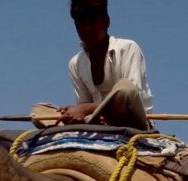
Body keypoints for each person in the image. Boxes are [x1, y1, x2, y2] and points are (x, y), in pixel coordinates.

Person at [61, 0, 153, 129]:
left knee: (125, 88)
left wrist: (86, 108)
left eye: (92, 21)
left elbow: (131, 99)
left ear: (106, 21)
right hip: (97, 121)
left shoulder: (127, 48)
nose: (86, 28)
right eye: (81, 23)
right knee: (41, 112)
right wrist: (74, 112)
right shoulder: (76, 63)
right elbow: (82, 107)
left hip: (132, 120)